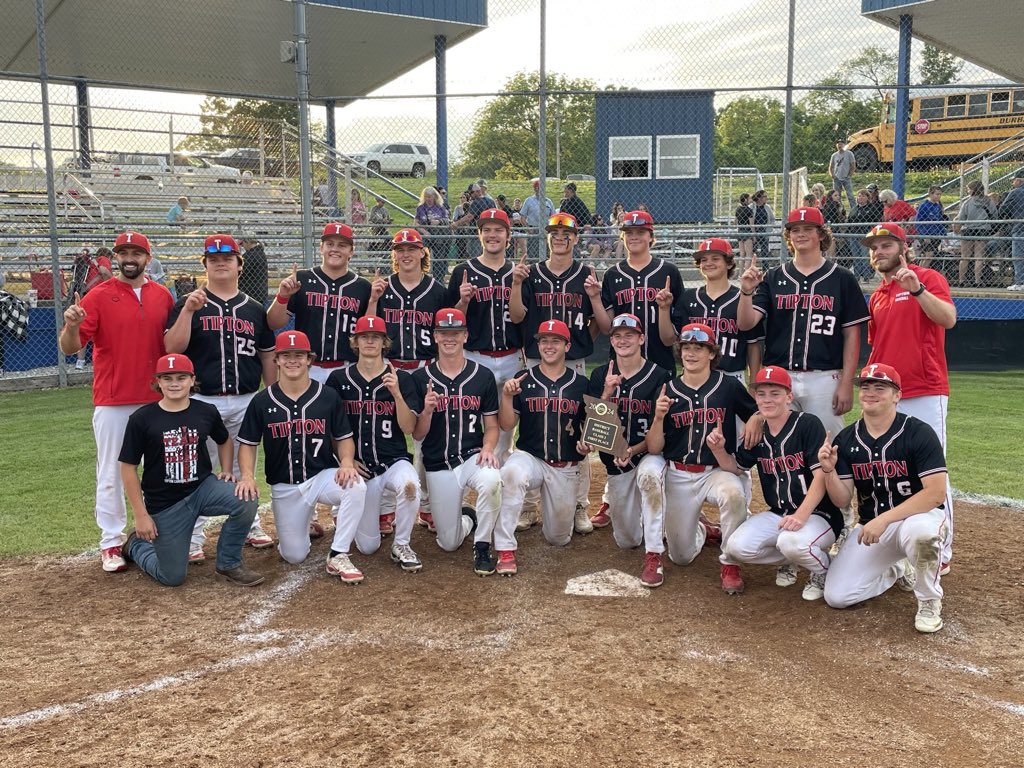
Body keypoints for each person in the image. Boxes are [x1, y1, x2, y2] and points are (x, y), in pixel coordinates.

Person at [59, 231, 175, 572]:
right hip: (113, 399)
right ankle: (111, 540)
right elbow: (70, 347)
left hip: (157, 398)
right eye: (123, 252)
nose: (129, 258)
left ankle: (157, 531)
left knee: (160, 470)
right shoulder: (97, 295)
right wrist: (71, 326)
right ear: (116, 257)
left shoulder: (162, 296)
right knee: (111, 470)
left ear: (147, 259)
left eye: (136, 253)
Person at [163, 233, 279, 558]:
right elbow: (172, 348)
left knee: (245, 467)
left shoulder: (253, 308)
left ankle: (249, 524)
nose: (220, 263)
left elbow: (267, 355)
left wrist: (272, 395)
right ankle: (193, 536)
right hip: (203, 400)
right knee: (198, 467)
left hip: (246, 398)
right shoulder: (188, 303)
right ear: (205, 265)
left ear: (240, 264)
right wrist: (188, 311)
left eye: (227, 258)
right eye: (213, 259)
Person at [819, 364, 949, 634]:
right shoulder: (847, 439)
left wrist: (885, 519)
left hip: (919, 518)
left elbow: (935, 493)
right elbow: (842, 499)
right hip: (874, 529)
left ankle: (929, 599)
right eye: (865, 387)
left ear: (897, 395)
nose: (870, 392)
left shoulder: (918, 432)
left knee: (922, 537)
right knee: (837, 596)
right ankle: (895, 569)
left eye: (880, 387)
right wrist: (829, 472)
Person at [119, 353, 263, 587]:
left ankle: (229, 562)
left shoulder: (205, 411)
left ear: (192, 380)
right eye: (167, 378)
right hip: (166, 503)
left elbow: (224, 440)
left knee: (246, 499)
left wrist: (227, 469)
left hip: (202, 488)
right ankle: (135, 545)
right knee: (172, 577)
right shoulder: (142, 418)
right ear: (158, 382)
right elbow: (128, 468)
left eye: (181, 377)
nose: (174, 384)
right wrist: (141, 514)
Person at [236, 331, 369, 582]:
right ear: (277, 360)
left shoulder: (327, 395)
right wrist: (246, 475)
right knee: (294, 555)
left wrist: (346, 462)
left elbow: (343, 437)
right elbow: (248, 444)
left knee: (356, 485)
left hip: (321, 476)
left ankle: (338, 554)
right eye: (286, 355)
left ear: (309, 359)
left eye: (299, 355)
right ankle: (304, 521)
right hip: (285, 485)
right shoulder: (262, 401)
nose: (292, 360)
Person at [862, 222, 957, 574]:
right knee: (893, 467)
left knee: (932, 469)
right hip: (887, 394)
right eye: (874, 247)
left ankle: (941, 549)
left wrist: (916, 290)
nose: (879, 252)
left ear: (904, 248)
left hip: (924, 388)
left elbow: (948, 319)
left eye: (886, 245)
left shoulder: (927, 278)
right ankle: (901, 539)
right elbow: (878, 345)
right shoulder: (878, 295)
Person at [508, 212, 611, 534]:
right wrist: (516, 283)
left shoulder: (586, 274)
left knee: (577, 431)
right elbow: (517, 316)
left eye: (566, 233)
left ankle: (580, 505)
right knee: (530, 424)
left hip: (573, 361)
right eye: (554, 232)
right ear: (548, 237)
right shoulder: (533, 273)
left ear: (576, 238)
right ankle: (528, 506)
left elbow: (600, 324)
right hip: (535, 359)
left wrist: (577, 345)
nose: (560, 238)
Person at [709, 366, 844, 600]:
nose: (767, 399)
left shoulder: (807, 424)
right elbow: (736, 467)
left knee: (791, 542)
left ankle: (822, 569)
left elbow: (821, 475)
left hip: (820, 514)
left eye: (775, 393)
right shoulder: (758, 433)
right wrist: (718, 450)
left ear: (789, 397)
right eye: (761, 394)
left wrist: (801, 515)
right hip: (779, 513)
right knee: (737, 547)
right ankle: (792, 559)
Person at [643, 323, 758, 593]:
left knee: (734, 494)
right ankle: (702, 530)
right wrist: (658, 418)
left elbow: (757, 410)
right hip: (679, 473)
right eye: (686, 348)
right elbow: (654, 447)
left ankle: (730, 563)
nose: (691, 353)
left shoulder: (728, 386)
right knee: (681, 557)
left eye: (699, 348)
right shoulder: (668, 389)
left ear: (711, 353)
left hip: (716, 471)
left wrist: (757, 417)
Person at [737, 206, 869, 441]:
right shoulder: (774, 276)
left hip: (824, 376)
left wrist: (846, 383)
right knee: (779, 446)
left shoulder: (842, 278)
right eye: (795, 229)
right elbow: (746, 324)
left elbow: (852, 335)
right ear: (788, 236)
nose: (801, 234)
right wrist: (746, 292)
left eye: (808, 228)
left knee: (827, 446)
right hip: (780, 376)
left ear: (821, 234)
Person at [365, 228, 447, 534]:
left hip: (425, 368)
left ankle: (426, 504)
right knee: (387, 436)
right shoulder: (383, 288)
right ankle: (386, 507)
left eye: (412, 249)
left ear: (422, 252)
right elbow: (368, 327)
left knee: (427, 438)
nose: (406, 254)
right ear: (394, 254)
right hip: (391, 367)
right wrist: (373, 299)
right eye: (400, 249)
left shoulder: (437, 290)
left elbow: (446, 332)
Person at [325, 315, 423, 572]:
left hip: (393, 461)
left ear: (384, 343)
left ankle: (402, 544)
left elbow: (409, 428)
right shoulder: (338, 379)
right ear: (355, 342)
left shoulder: (401, 378)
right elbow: (331, 429)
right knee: (368, 547)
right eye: (364, 337)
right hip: (360, 469)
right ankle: (357, 517)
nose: (370, 341)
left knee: (411, 485)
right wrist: (346, 460)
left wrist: (397, 394)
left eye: (376, 337)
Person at [409, 308, 502, 575]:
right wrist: (427, 411)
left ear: (465, 336)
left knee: (492, 480)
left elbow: (492, 425)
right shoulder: (420, 378)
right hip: (438, 462)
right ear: (435, 336)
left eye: (456, 333)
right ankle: (468, 518)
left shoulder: (483, 375)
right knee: (449, 543)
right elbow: (417, 434)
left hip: (472, 456)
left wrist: (488, 447)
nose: (450, 338)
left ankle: (482, 546)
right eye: (444, 333)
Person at [493, 320, 588, 576]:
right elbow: (507, 424)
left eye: (556, 341)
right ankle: (505, 547)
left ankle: (561, 515)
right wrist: (507, 397)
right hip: (530, 459)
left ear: (567, 346)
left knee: (558, 538)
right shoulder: (523, 379)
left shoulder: (581, 383)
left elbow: (590, 427)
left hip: (564, 465)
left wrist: (586, 443)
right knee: (511, 472)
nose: (549, 346)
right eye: (544, 341)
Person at [583, 313, 672, 584]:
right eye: (618, 336)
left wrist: (632, 449)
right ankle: (661, 521)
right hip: (616, 463)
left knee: (650, 477)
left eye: (630, 335)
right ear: (611, 341)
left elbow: (660, 434)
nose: (623, 340)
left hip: (649, 455)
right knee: (627, 540)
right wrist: (606, 394)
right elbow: (594, 429)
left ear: (641, 339)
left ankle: (654, 556)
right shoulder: (600, 375)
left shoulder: (660, 376)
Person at [447, 209, 523, 465]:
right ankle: (472, 475)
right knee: (470, 422)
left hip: (512, 356)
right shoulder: (463, 271)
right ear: (479, 235)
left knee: (506, 428)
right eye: (486, 230)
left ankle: (500, 478)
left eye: (499, 230)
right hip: (475, 356)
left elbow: (523, 317)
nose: (492, 235)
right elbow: (451, 321)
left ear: (508, 236)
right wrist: (463, 301)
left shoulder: (519, 272)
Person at [268, 222, 371, 382]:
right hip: (309, 368)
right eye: (330, 244)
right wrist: (282, 297)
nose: (335, 249)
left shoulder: (363, 287)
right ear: (321, 248)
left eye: (342, 245)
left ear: (351, 251)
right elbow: (273, 323)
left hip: (348, 368)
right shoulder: (301, 279)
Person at [601, 210, 685, 374]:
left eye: (640, 232)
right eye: (629, 233)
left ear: (651, 237)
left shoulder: (669, 271)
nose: (634, 237)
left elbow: (675, 330)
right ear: (622, 237)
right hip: (622, 364)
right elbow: (608, 327)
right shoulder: (612, 274)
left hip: (660, 360)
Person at [70, 246, 113, 371]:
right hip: (99, 297)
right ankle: (99, 359)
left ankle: (80, 361)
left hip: (86, 295)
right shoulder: (103, 259)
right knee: (102, 329)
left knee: (84, 328)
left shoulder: (90, 263)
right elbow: (105, 272)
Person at [954, 180, 997, 287]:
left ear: (973, 190)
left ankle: (961, 281)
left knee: (965, 257)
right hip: (982, 229)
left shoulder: (967, 202)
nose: (968, 191)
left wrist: (957, 227)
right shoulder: (988, 201)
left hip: (968, 229)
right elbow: (994, 215)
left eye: (968, 189)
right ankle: (977, 281)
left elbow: (961, 218)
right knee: (979, 256)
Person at [415, 186, 451, 282]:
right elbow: (416, 223)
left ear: (435, 197)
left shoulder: (440, 207)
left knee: (439, 258)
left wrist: (439, 221)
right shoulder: (420, 208)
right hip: (425, 235)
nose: (428, 199)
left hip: (438, 235)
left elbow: (447, 220)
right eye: (426, 197)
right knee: (422, 256)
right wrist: (425, 232)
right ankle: (421, 277)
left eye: (430, 197)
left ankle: (438, 279)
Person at [997, 171, 1024, 291]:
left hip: (1019, 227)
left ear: (1019, 180)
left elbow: (1003, 209)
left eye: (1014, 180)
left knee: (1018, 256)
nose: (1013, 183)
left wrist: (1008, 216)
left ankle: (1020, 282)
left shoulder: (1015, 192)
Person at [846, 188, 880, 281]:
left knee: (865, 256)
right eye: (859, 196)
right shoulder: (854, 209)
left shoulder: (872, 208)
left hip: (865, 235)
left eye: (863, 196)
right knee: (856, 256)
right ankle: (857, 276)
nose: (860, 198)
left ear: (867, 198)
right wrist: (847, 233)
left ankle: (866, 276)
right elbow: (849, 221)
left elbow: (875, 221)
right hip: (854, 235)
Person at [520, 178, 556, 262]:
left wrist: (550, 229)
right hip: (533, 229)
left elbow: (553, 217)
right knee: (533, 254)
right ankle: (533, 267)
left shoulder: (548, 201)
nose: (539, 190)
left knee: (547, 253)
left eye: (541, 188)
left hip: (546, 229)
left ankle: (545, 267)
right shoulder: (529, 200)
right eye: (537, 188)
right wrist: (528, 229)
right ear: (535, 189)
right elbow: (522, 217)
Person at [914, 186, 947, 271]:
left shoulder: (938, 206)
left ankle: (919, 273)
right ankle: (921, 273)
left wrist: (943, 234)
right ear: (930, 194)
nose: (939, 196)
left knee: (927, 256)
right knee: (929, 255)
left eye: (940, 194)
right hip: (926, 234)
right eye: (937, 194)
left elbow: (940, 221)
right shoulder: (924, 205)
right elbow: (918, 222)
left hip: (935, 234)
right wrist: (924, 235)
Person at [238, 235, 269, 305]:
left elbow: (239, 272)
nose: (243, 246)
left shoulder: (249, 256)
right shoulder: (261, 252)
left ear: (247, 242)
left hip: (250, 293)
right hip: (260, 293)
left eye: (242, 244)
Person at [829, 140, 857, 209]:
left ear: (844, 145)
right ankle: (838, 209)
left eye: (841, 144)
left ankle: (854, 209)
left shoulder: (849, 154)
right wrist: (832, 175)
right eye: (838, 144)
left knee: (850, 195)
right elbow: (831, 167)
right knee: (836, 196)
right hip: (837, 178)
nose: (840, 145)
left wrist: (849, 175)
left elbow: (853, 166)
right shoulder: (834, 155)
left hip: (846, 178)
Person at [820, 190, 846, 259]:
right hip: (832, 230)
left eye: (838, 195)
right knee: (832, 253)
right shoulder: (830, 206)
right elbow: (830, 219)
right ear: (830, 197)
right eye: (835, 195)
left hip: (835, 230)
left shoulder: (838, 205)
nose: (838, 197)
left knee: (833, 253)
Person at [751, 190, 775, 262]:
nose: (766, 198)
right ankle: (752, 266)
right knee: (752, 251)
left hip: (764, 231)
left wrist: (770, 227)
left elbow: (772, 219)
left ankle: (765, 267)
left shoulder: (767, 207)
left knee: (765, 251)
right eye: (765, 196)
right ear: (759, 198)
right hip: (754, 231)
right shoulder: (752, 207)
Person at [735, 193, 754, 268]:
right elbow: (751, 224)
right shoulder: (749, 210)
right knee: (749, 254)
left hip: (740, 231)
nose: (751, 200)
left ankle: (741, 272)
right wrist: (754, 235)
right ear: (746, 200)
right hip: (747, 231)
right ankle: (746, 271)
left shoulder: (738, 209)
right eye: (750, 198)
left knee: (742, 254)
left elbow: (735, 222)